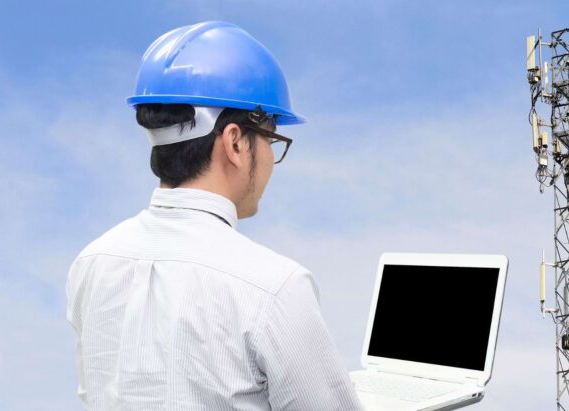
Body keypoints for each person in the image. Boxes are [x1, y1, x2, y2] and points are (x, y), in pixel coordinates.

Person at [65, 21, 363, 410]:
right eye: (271, 138)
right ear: (235, 142)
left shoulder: (92, 264)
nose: (273, 157)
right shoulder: (274, 288)